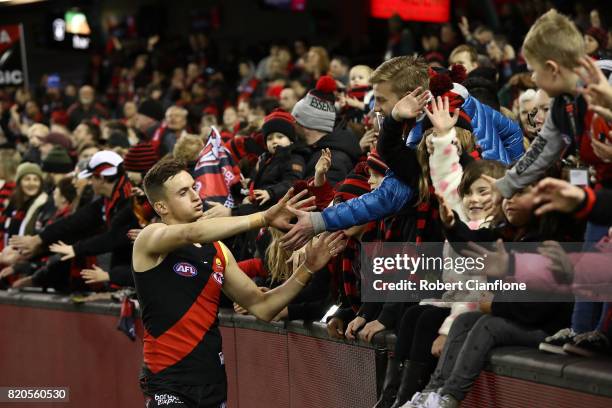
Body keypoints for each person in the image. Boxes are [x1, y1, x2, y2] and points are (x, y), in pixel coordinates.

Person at [133, 158, 345, 407]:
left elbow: (263, 307)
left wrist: (307, 268)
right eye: (183, 192)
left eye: (193, 187)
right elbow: (191, 233)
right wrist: (263, 218)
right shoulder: (149, 238)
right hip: (167, 382)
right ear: (162, 206)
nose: (194, 195)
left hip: (212, 381)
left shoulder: (219, 251)